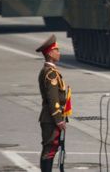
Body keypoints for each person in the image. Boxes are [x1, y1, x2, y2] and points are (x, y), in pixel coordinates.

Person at [37, 34, 70, 172]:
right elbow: (53, 99)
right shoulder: (51, 74)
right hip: (51, 118)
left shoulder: (49, 71)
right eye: (57, 50)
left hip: (49, 117)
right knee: (49, 149)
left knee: (50, 148)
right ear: (50, 53)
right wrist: (58, 119)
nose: (59, 53)